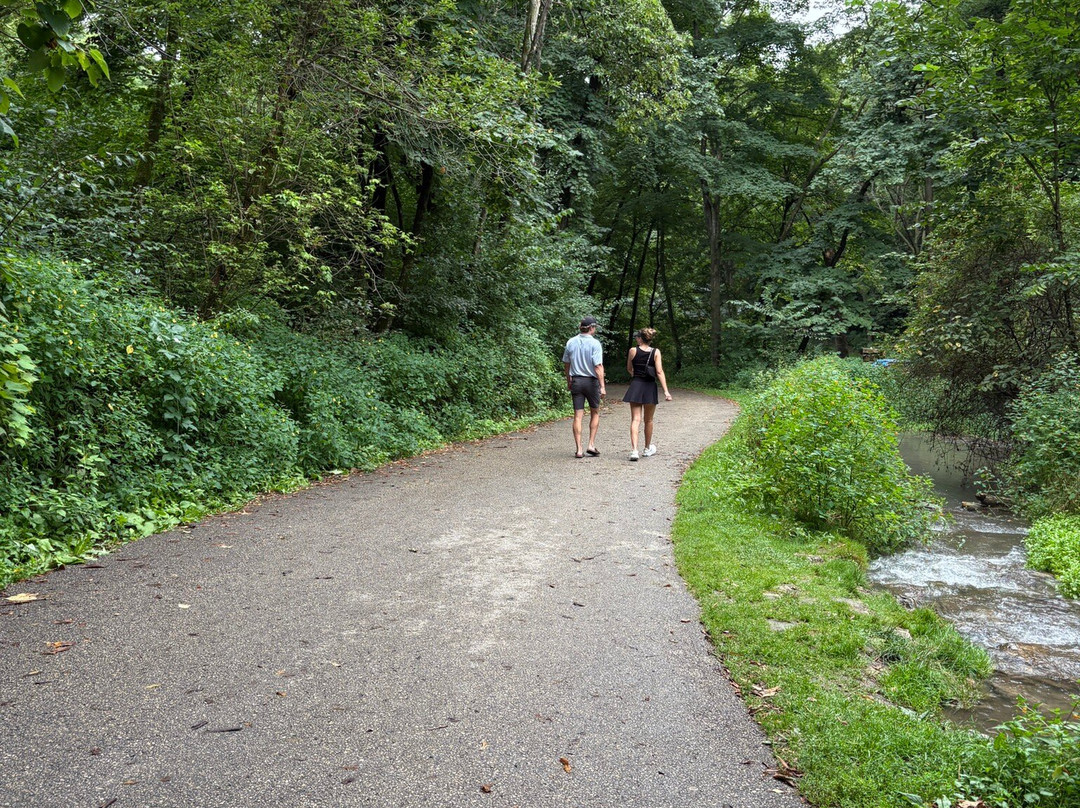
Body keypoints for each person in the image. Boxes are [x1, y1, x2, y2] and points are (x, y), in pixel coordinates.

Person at [621, 327, 672, 461]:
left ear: (639, 338)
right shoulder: (656, 352)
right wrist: (666, 391)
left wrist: (635, 374)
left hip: (636, 385)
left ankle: (634, 451)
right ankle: (647, 448)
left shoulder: (633, 350)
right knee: (648, 420)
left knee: (635, 419)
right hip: (650, 386)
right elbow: (659, 372)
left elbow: (629, 368)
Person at [562, 316, 606, 458]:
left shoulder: (571, 342)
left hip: (576, 381)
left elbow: (567, 363)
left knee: (578, 416)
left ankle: (579, 449)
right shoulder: (595, 344)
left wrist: (568, 379)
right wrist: (602, 386)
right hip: (591, 382)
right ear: (592, 328)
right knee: (595, 412)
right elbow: (598, 366)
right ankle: (591, 445)